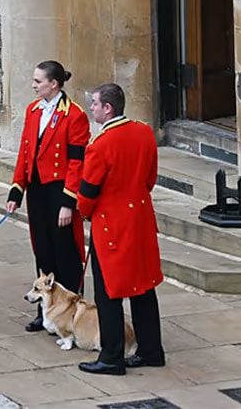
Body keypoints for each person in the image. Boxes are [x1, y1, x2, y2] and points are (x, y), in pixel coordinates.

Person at [76, 83, 165, 376]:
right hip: (140, 220)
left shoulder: (100, 145)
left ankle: (112, 357)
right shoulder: (144, 132)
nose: (92, 108)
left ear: (108, 109)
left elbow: (87, 195)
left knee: (109, 294)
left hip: (112, 227)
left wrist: (85, 212)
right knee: (143, 288)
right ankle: (151, 350)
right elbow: (150, 178)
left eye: (95, 104)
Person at [6, 60, 89, 332]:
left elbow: (77, 162)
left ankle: (71, 312)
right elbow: (25, 153)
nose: (33, 85)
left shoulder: (74, 115)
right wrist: (16, 189)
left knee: (64, 253)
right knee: (42, 251)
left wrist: (69, 202)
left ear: (54, 84)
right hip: (38, 191)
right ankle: (46, 311)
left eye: (38, 81)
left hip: (60, 191)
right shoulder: (33, 110)